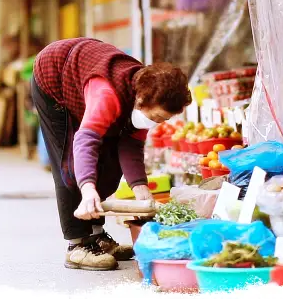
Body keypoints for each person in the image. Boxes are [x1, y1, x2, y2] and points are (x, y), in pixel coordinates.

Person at [31, 38, 192, 271]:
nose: (157, 123)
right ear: (140, 100)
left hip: (84, 75)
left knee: (109, 162)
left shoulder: (146, 92)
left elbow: (130, 146)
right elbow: (85, 141)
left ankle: (97, 237)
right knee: (70, 164)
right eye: (157, 118)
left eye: (163, 120)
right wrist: (87, 189)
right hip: (54, 77)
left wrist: (141, 189)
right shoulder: (108, 95)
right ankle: (77, 245)